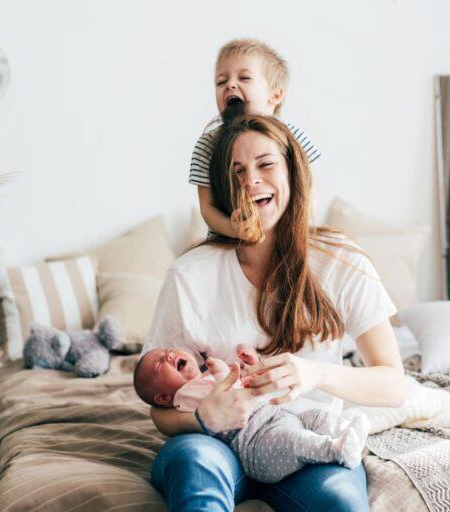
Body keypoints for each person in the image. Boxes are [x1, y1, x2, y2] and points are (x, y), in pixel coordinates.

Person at [146, 105, 404, 512]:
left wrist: (314, 374)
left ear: (292, 174)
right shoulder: (189, 275)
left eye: (265, 164)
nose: (251, 181)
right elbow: (158, 411)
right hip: (216, 445)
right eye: (236, 173)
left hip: (305, 446)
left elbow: (393, 384)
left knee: (341, 503)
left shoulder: (342, 261)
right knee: (193, 462)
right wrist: (203, 419)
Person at [134, 346, 370, 483]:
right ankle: (334, 449)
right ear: (163, 398)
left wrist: (252, 365)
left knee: (315, 417)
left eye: (168, 350)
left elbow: (244, 386)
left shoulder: (202, 380)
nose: (168, 355)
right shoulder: (183, 397)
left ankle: (344, 432)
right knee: (295, 442)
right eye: (159, 364)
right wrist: (222, 371)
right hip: (257, 443)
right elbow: (219, 397)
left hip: (277, 415)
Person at [190, 38, 321, 241]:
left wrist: (295, 229)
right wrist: (233, 229)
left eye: (244, 78)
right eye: (221, 82)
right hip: (226, 245)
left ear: (275, 96)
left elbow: (309, 190)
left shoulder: (291, 136)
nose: (230, 85)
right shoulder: (208, 144)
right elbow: (207, 207)